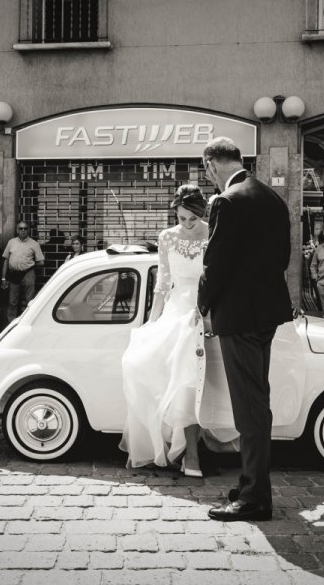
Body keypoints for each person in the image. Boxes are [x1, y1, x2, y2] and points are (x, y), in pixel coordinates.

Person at [198, 136, 291, 522]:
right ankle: (252, 483)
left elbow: (215, 263)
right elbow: (283, 258)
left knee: (249, 408)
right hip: (266, 314)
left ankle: (255, 498)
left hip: (238, 316)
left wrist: (202, 304)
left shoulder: (227, 200)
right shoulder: (272, 197)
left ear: (210, 165)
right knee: (257, 403)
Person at [120, 185, 219, 478]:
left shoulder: (212, 233)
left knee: (193, 377)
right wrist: (152, 322)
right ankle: (186, 451)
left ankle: (193, 451)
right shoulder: (167, 237)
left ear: (201, 214)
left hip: (204, 309)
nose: (187, 224)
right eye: (182, 218)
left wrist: (211, 314)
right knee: (153, 366)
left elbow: (218, 278)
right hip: (176, 310)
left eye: (192, 218)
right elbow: (162, 284)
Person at [2, 221, 44, 321]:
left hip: (28, 274)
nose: (23, 230)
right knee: (13, 301)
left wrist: (29, 266)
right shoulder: (11, 242)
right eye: (21, 228)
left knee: (29, 301)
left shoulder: (34, 244)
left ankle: (28, 322)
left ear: (28, 230)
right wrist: (3, 278)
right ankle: (11, 324)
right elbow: (6, 260)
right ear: (17, 230)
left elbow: (41, 262)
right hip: (13, 275)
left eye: (25, 228)